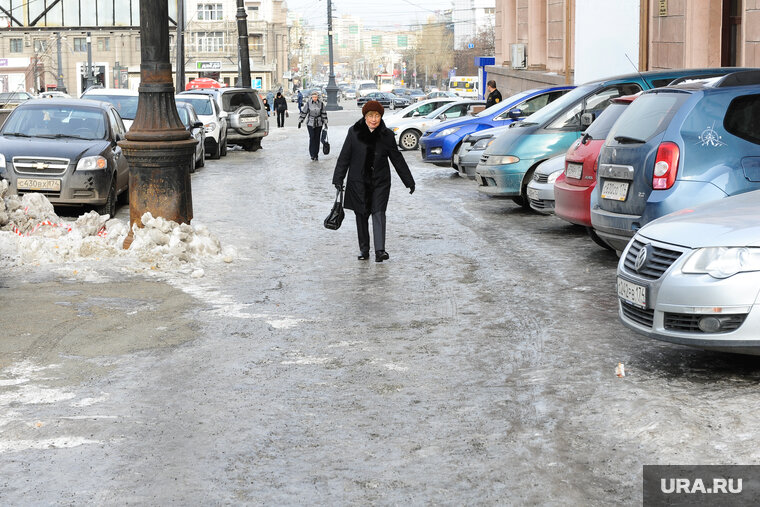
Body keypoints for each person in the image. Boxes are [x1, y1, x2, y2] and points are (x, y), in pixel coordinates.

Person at [332, 100, 415, 263]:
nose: (374, 119)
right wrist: (338, 178)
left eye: (377, 115)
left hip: (380, 182)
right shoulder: (354, 132)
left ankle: (380, 250)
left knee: (379, 213)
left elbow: (397, 159)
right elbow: (344, 157)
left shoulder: (387, 135)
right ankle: (364, 249)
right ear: (365, 116)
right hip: (358, 183)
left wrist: (409, 181)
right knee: (361, 216)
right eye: (370, 115)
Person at [298, 91, 328, 161]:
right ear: (311, 97)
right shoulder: (308, 103)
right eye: (313, 97)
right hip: (310, 122)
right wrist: (300, 121)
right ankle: (312, 154)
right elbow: (304, 112)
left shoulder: (321, 104)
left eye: (316, 97)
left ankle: (316, 154)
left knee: (317, 138)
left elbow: (324, 113)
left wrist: (325, 123)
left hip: (319, 122)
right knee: (312, 137)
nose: (314, 98)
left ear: (318, 97)